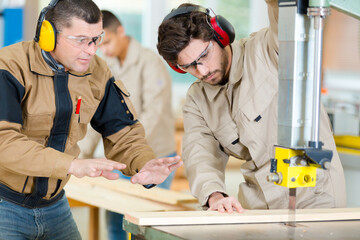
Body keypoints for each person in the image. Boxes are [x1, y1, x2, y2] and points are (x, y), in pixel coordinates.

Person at [0, 0, 182, 239]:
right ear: (48, 35)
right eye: (81, 40)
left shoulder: (97, 71)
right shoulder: (9, 67)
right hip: (6, 204)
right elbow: (4, 143)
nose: (92, 50)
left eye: (96, 39)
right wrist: (72, 165)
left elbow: (123, 131)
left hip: (54, 205)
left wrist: (143, 161)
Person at [157, 0, 346, 213]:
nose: (202, 71)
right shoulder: (197, 100)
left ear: (221, 35)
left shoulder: (267, 49)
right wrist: (215, 196)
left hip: (313, 194)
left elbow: (282, 13)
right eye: (189, 66)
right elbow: (200, 154)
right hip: (258, 203)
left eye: (204, 56)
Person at [77, 10, 177, 240]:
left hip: (153, 156)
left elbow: (154, 112)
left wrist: (136, 153)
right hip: (118, 163)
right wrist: (81, 159)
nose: (105, 49)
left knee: (147, 229)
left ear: (121, 31)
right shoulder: (104, 67)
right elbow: (96, 117)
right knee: (116, 224)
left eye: (108, 41)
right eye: (100, 44)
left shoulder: (149, 62)